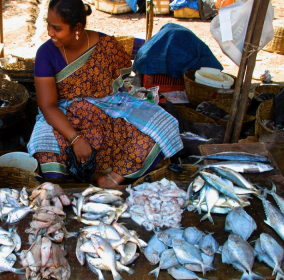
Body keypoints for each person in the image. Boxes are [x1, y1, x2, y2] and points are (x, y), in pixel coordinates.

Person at [28, 0, 182, 188]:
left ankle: (111, 178)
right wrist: (75, 138)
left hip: (105, 108)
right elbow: (47, 105)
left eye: (57, 28)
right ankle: (76, 185)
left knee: (163, 126)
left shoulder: (105, 45)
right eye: (48, 25)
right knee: (44, 148)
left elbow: (120, 89)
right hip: (64, 115)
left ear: (77, 27)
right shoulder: (46, 53)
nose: (50, 32)